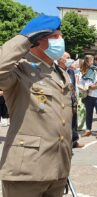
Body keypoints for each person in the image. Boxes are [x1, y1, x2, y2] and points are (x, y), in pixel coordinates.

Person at [0, 15, 73, 197]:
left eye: (60, 37)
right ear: (38, 40)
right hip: (26, 171)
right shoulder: (20, 68)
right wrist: (24, 39)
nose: (61, 41)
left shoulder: (60, 73)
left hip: (57, 169)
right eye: (55, 37)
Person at [58, 52, 84, 148]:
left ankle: (74, 141)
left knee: (74, 121)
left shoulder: (71, 71)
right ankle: (64, 144)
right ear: (60, 59)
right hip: (63, 101)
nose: (70, 60)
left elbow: (72, 86)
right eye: (67, 57)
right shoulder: (56, 71)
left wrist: (75, 98)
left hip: (72, 100)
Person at [79, 55, 97, 139]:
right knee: (88, 114)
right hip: (88, 96)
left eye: (91, 60)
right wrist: (83, 88)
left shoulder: (96, 70)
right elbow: (80, 83)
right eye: (88, 61)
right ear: (86, 62)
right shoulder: (83, 71)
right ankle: (88, 130)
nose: (90, 62)